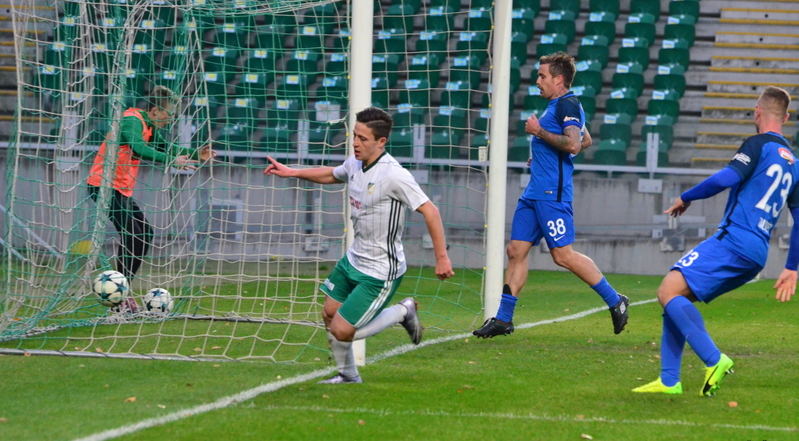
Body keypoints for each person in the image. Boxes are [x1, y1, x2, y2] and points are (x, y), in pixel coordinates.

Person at [264, 107, 454, 384]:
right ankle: (349, 375)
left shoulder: (394, 175)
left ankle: (403, 311)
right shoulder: (355, 163)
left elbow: (431, 211)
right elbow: (332, 174)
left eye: (363, 138)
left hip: (380, 270)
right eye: (354, 136)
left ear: (381, 142)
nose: (355, 143)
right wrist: (292, 172)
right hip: (354, 259)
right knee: (329, 314)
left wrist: (442, 258)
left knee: (341, 330)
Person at [633, 86, 796, 396]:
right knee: (676, 298)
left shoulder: (757, 144)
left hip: (734, 239)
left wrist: (686, 196)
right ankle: (669, 381)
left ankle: (714, 359)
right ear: (786, 118)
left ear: (757, 112)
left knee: (667, 290)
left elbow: (726, 178)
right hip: (758, 252)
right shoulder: (795, 164)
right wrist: (791, 266)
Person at [473, 51, 629, 339]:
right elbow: (586, 140)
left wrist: (539, 133)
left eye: (542, 76)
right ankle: (503, 320)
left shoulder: (567, 103)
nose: (538, 81)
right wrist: (544, 155)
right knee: (515, 251)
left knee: (563, 256)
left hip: (551, 195)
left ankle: (615, 300)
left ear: (559, 79)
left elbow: (572, 145)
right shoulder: (559, 105)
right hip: (534, 193)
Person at [87, 85, 215, 310]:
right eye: (169, 115)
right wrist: (172, 161)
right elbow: (137, 148)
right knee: (133, 233)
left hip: (119, 189)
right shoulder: (132, 120)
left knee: (144, 233)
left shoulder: (147, 125)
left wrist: (196, 154)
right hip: (103, 186)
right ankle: (120, 296)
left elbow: (164, 146)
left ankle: (121, 289)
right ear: (155, 111)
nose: (170, 120)